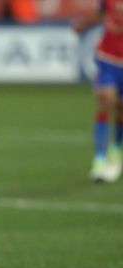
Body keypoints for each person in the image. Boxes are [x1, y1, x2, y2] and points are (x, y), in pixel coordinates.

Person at [72, 0, 123, 182]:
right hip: (107, 58)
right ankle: (99, 159)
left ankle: (116, 149)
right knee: (105, 102)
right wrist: (82, 25)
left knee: (120, 109)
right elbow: (101, 13)